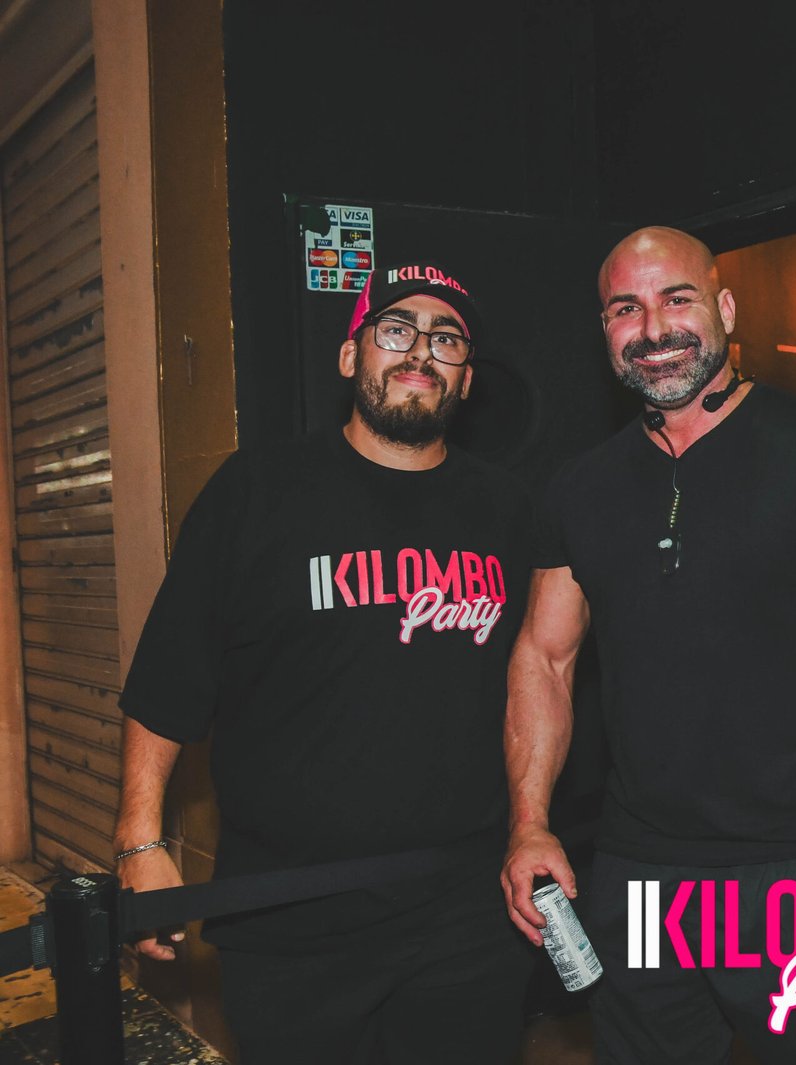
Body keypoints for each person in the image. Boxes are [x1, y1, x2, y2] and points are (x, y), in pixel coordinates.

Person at [501, 227, 796, 1065]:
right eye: (625, 309)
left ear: (726, 308)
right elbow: (542, 659)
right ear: (604, 330)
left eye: (677, 299)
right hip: (640, 875)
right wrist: (530, 824)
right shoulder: (581, 487)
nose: (653, 328)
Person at [115, 261, 536, 1065]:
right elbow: (169, 676)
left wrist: (532, 826)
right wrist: (140, 842)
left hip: (464, 913)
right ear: (350, 355)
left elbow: (543, 680)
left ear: (467, 378)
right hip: (288, 919)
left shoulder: (510, 511)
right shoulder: (256, 490)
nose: (421, 350)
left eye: (446, 338)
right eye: (396, 329)